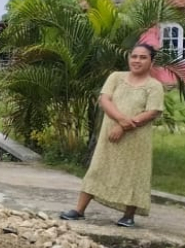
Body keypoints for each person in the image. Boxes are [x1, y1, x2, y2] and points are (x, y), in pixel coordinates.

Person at [61, 43, 165, 228]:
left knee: (134, 174)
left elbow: (152, 112)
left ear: (151, 61)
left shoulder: (154, 86)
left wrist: (123, 127)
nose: (137, 60)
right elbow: (104, 99)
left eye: (143, 57)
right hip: (110, 137)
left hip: (136, 140)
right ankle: (79, 210)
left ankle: (128, 216)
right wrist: (121, 120)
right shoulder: (116, 77)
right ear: (129, 57)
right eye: (134, 56)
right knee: (98, 168)